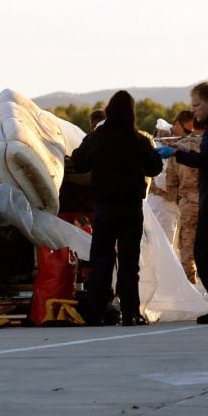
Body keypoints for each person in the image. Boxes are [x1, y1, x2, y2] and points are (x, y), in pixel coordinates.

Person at [71, 90, 163, 326]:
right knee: (129, 262)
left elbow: (79, 162)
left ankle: (96, 312)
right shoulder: (139, 139)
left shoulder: (98, 137)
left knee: (101, 260)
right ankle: (131, 311)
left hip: (104, 208)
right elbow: (155, 167)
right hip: (131, 208)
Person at [158, 81, 208, 324]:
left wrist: (177, 154)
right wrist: (183, 149)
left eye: (197, 105)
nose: (194, 111)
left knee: (204, 252)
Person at [165, 110, 200, 284]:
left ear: (181, 124)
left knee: (187, 244)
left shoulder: (177, 149)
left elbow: (171, 180)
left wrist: (175, 198)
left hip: (188, 201)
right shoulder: (205, 143)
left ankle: (190, 281)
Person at [147, 118, 180, 246]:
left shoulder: (165, 147)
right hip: (161, 203)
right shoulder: (159, 148)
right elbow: (162, 180)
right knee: (164, 244)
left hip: (168, 203)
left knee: (171, 244)